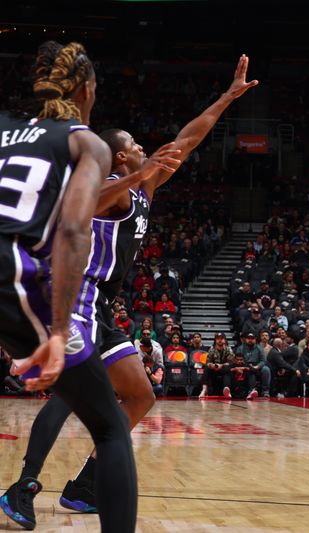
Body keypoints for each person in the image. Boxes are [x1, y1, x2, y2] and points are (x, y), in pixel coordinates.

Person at [4, 53, 257, 521]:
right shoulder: (113, 182)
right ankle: (22, 486)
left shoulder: (142, 186)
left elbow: (189, 139)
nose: (147, 148)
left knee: (140, 395)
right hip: (75, 297)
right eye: (138, 145)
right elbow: (74, 206)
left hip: (103, 307)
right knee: (67, 395)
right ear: (121, 155)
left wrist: (227, 97)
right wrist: (139, 173)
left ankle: (84, 485)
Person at [0, 41, 137, 532]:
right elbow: (74, 232)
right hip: (17, 284)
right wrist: (56, 333)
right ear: (86, 90)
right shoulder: (86, 142)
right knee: (110, 427)